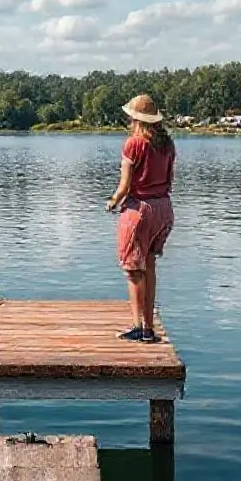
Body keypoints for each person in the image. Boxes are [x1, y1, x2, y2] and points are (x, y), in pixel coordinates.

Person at [106, 95, 175, 343]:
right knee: (150, 266)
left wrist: (112, 202)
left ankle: (139, 328)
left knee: (134, 271)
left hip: (140, 211)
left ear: (135, 119)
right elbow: (169, 180)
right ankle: (148, 327)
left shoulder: (133, 144)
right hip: (164, 209)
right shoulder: (168, 145)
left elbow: (124, 187)